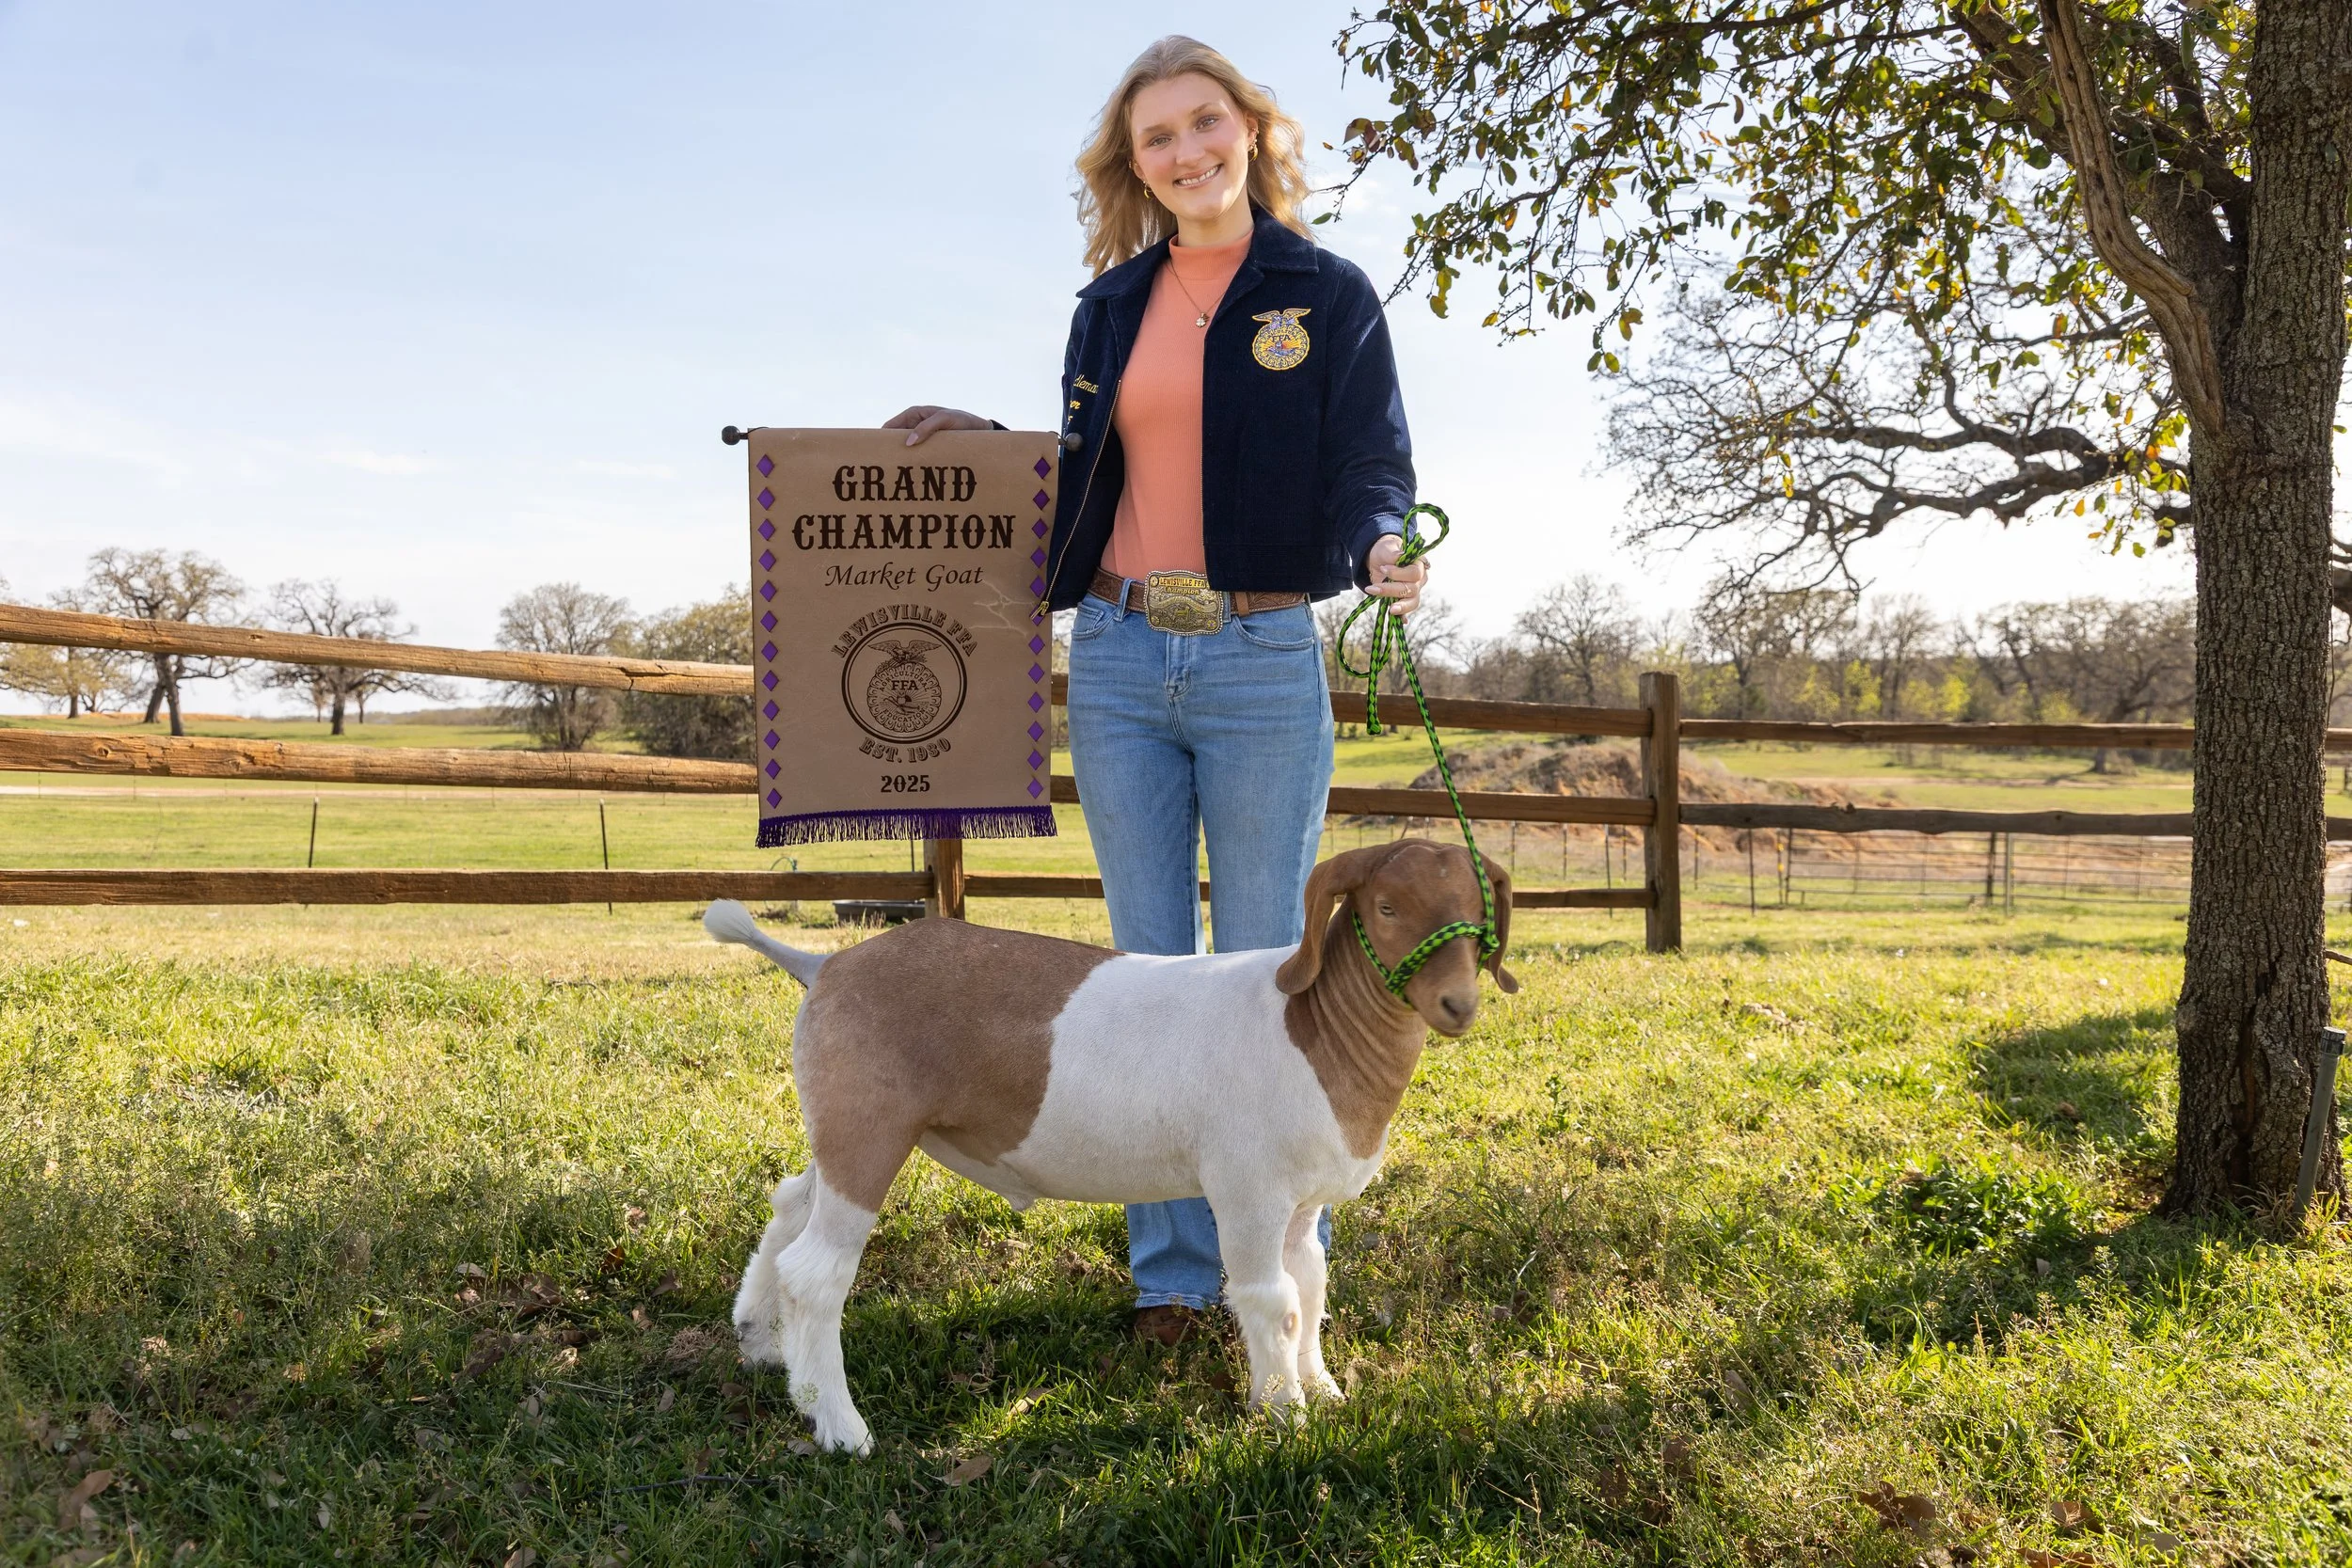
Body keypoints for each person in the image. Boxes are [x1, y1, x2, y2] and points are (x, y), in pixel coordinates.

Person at [885, 35, 1427, 1345]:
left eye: (1204, 123)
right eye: (1157, 139)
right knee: (1146, 977)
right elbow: (1089, 481)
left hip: (1256, 655)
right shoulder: (1108, 307)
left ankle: (1286, 1283)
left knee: (1271, 969)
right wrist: (988, 449)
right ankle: (1176, 1279)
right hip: (1123, 656)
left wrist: (1382, 541)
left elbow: (1371, 458)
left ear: (1251, 127)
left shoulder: (1327, 291)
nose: (1186, 153)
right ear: (1132, 167)